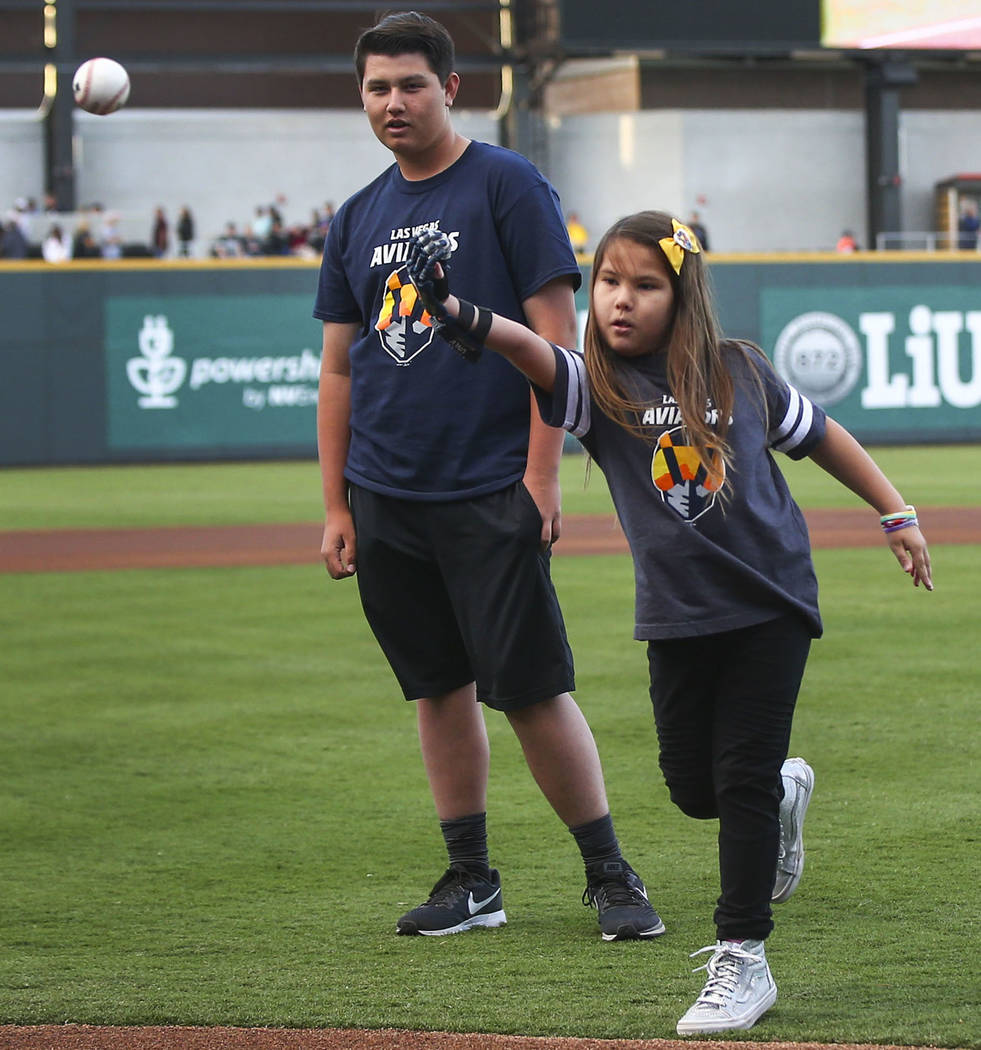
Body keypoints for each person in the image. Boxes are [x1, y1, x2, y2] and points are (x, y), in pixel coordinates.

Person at [403, 211, 932, 1032]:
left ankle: (743, 958)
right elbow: (527, 348)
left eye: (644, 285)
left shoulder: (740, 372)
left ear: (681, 297)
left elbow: (824, 437)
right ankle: (784, 791)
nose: (621, 300)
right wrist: (458, 310)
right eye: (609, 281)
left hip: (770, 606)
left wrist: (895, 514)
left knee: (740, 784)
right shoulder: (593, 389)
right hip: (677, 619)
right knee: (693, 790)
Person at [313, 11, 662, 943]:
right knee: (436, 688)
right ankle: (472, 879)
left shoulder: (507, 185)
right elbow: (340, 368)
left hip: (486, 486)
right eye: (377, 87)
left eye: (411, 85)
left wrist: (540, 477)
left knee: (531, 689)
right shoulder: (356, 216)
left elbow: (558, 347)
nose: (393, 102)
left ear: (450, 88)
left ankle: (609, 873)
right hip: (388, 494)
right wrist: (336, 503)